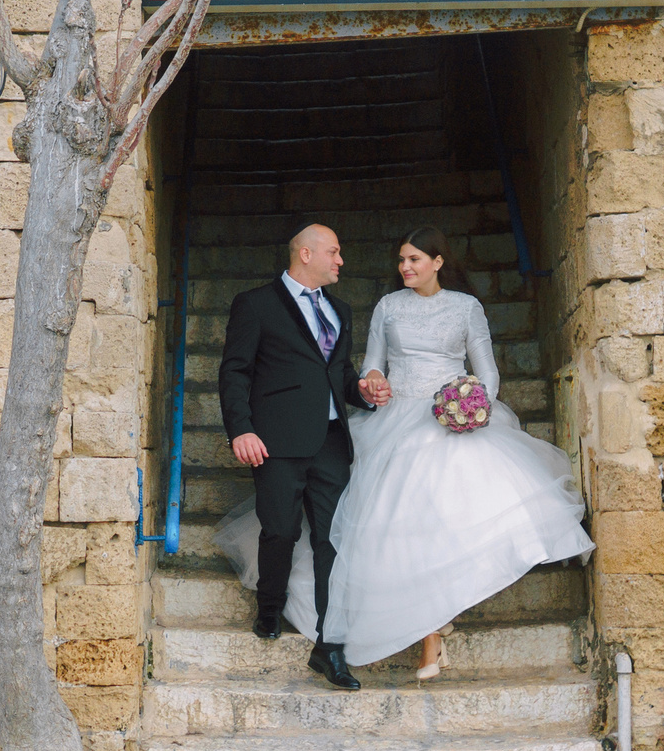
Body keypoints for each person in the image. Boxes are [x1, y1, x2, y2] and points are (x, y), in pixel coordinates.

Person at [329, 226, 593, 676]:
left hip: (450, 418)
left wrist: (473, 408)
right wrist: (373, 379)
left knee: (443, 521)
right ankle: (432, 631)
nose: (405, 268)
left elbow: (486, 372)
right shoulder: (389, 307)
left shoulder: (466, 308)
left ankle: (433, 631)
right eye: (401, 260)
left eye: (414, 259)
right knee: (404, 523)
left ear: (438, 262)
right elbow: (374, 359)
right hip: (398, 418)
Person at [212, 223, 374, 690]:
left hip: (330, 442)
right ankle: (269, 606)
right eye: (334, 252)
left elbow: (339, 375)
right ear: (306, 254)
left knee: (332, 540)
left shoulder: (341, 310)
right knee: (280, 530)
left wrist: (363, 392)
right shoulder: (256, 304)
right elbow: (235, 371)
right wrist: (241, 429)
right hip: (276, 442)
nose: (341, 261)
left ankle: (331, 645)